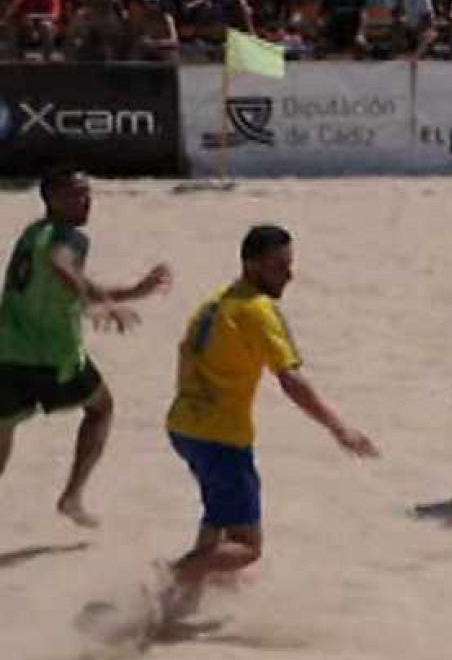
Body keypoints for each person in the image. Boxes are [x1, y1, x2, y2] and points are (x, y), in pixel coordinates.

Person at [159, 225, 378, 628]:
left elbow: (184, 359)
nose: (289, 276)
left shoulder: (212, 304)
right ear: (251, 264)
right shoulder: (258, 310)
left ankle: (177, 604)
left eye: (290, 265)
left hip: (183, 427)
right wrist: (338, 428)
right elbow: (291, 380)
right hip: (221, 437)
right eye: (279, 267)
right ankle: (162, 581)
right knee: (246, 547)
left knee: (217, 517)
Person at [0, 168, 170, 527]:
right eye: (76, 194)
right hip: (54, 356)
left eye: (88, 192)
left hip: (8, 352)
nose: (86, 200)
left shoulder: (35, 233)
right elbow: (64, 267)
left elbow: (72, 279)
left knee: (4, 428)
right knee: (101, 408)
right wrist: (104, 305)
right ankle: (72, 496)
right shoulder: (70, 237)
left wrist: (128, 293)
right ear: (51, 199)